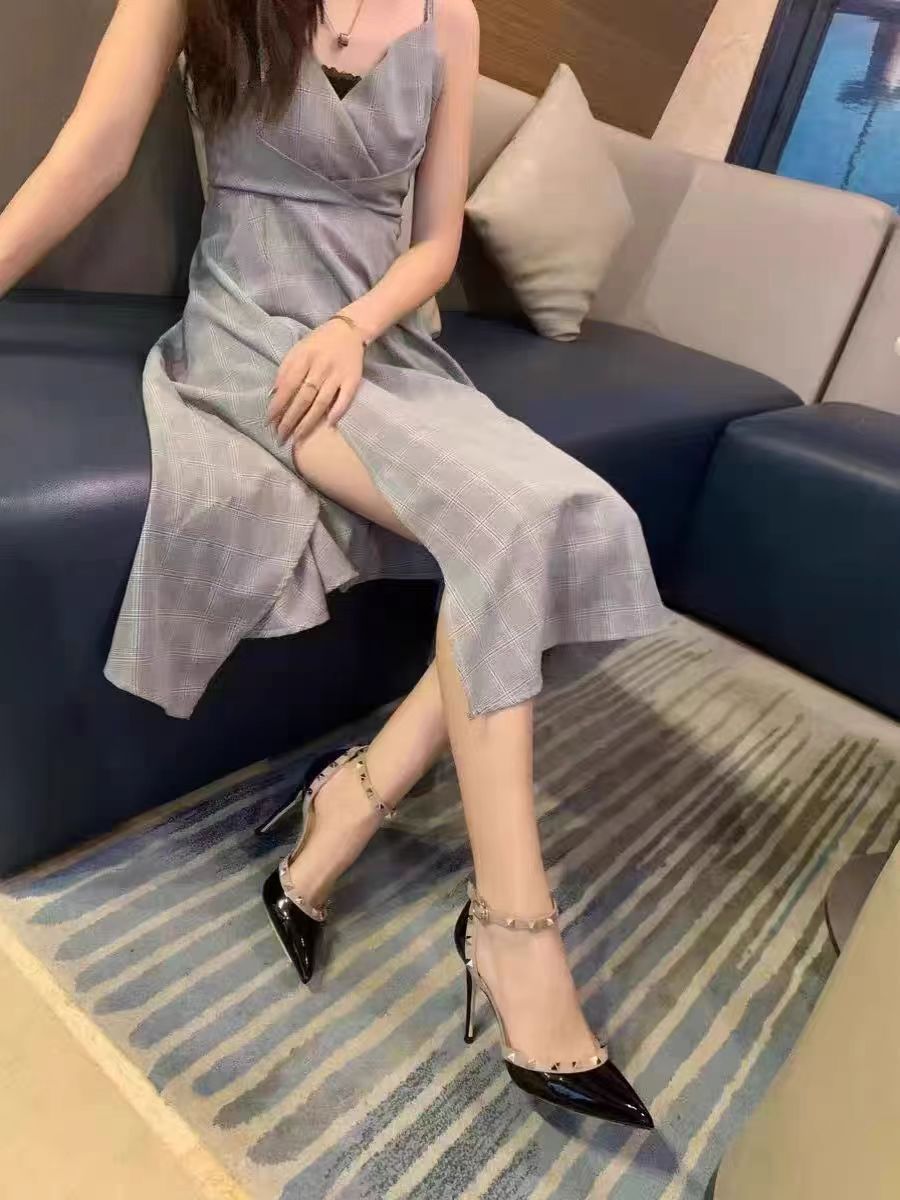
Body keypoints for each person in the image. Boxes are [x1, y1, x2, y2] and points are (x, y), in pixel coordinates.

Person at [0, 0, 666, 1126]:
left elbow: (436, 242)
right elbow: (94, 152)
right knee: (510, 531)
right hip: (256, 340)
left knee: (586, 518)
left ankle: (349, 807)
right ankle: (512, 931)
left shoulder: (450, 18)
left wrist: (357, 327)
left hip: (375, 348)